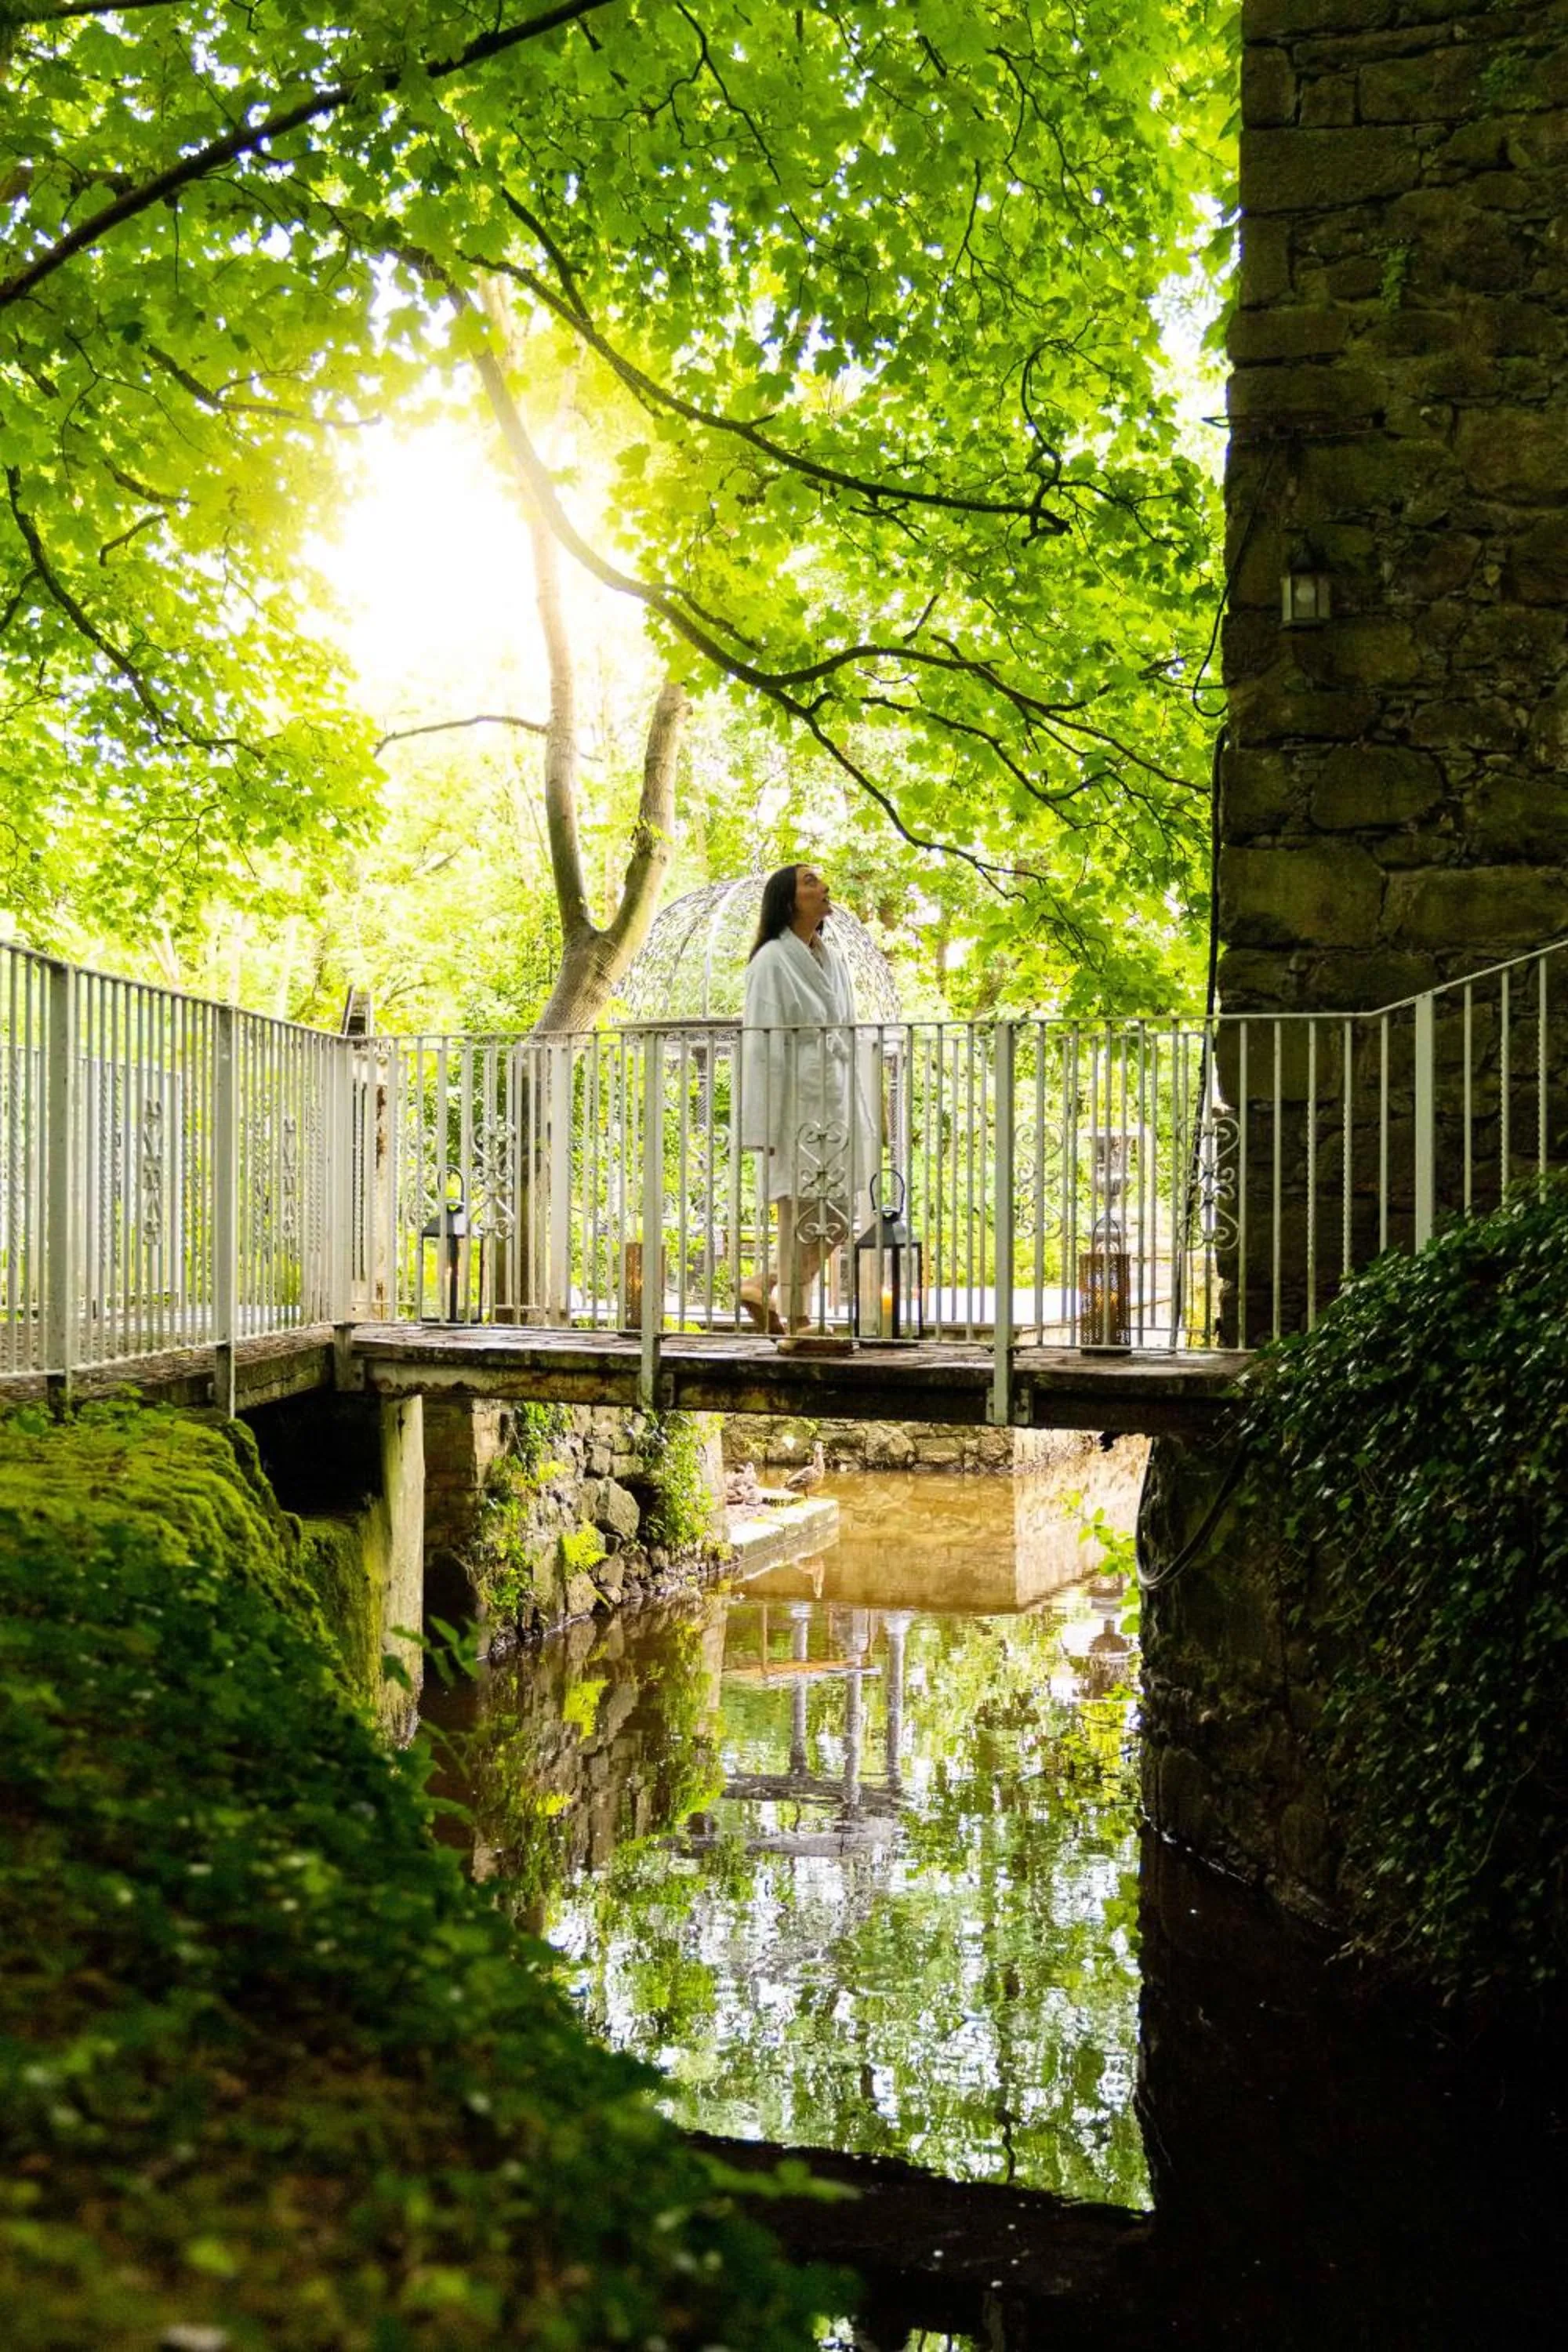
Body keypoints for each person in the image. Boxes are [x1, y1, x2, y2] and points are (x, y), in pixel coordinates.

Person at [739, 863, 875, 1332]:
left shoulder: (831, 960)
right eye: (810, 882)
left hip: (834, 1098)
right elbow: (760, 1044)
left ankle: (764, 1282)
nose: (823, 887)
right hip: (794, 1101)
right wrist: (763, 1124)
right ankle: (798, 1321)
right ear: (788, 900)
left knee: (835, 1214)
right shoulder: (771, 961)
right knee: (798, 1211)